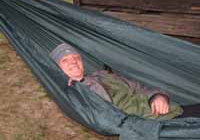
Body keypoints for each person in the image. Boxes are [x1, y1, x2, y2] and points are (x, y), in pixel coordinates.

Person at [50, 43, 200, 120]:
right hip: (149, 124)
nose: (73, 63)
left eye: (76, 58)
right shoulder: (70, 92)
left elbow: (140, 88)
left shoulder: (102, 75)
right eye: (65, 61)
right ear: (56, 67)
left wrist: (158, 97)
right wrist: (71, 84)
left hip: (166, 111)